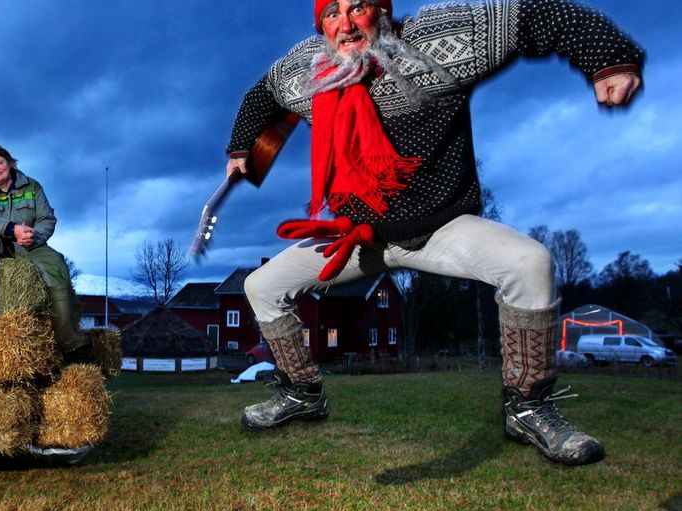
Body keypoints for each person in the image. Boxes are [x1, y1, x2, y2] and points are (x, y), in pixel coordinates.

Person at [223, 0, 642, 465]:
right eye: (331, 14)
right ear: (321, 25)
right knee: (261, 285)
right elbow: (263, 93)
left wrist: (607, 58)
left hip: (438, 228)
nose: (344, 25)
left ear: (381, 12)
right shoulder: (305, 69)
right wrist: (243, 145)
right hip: (360, 237)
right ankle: (302, 393)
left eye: (357, 8)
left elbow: (534, 14)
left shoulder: (437, 44)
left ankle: (527, 408)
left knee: (530, 264)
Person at [0, 142, 90, 356]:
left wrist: (35, 236)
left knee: (56, 263)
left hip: (29, 244)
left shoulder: (32, 187)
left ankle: (66, 337)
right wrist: (12, 229)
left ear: (10, 163)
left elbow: (46, 218)